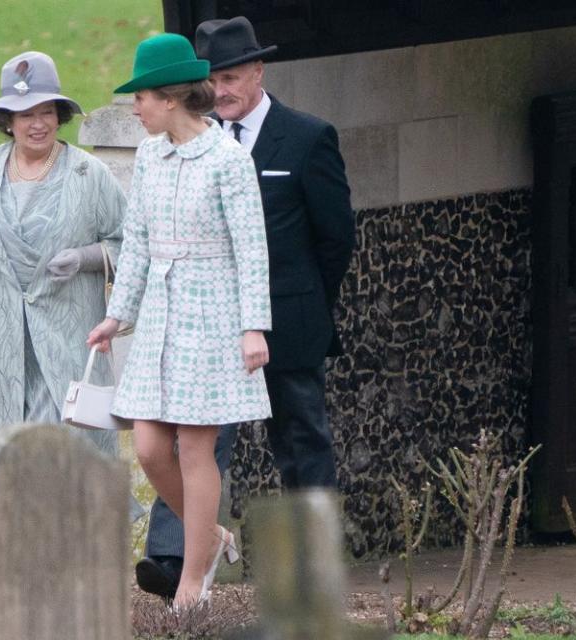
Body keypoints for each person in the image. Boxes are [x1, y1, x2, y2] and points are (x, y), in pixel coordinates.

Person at [134, 16, 356, 600]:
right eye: (213, 80)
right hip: (203, 324)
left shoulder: (307, 137)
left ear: (259, 71)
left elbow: (336, 237)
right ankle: (175, 554)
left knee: (302, 439)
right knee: (193, 437)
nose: (222, 90)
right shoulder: (181, 146)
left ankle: (313, 567)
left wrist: (304, 303)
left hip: (285, 322)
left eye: (231, 77)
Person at [88, 32, 272, 609]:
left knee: (195, 449)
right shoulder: (149, 155)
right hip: (162, 316)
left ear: (168, 98)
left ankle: (192, 584)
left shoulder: (229, 160)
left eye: (139, 97)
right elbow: (137, 242)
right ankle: (211, 536)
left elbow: (252, 249)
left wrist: (253, 327)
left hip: (213, 315)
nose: (134, 108)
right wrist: (118, 316)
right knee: (147, 447)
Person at [0, 51, 126, 460]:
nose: (38, 124)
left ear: (59, 116)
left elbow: (134, 247)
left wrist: (86, 257)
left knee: (61, 462)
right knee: (0, 462)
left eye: (46, 112)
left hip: (66, 349)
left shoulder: (89, 175)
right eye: (25, 114)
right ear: (7, 122)